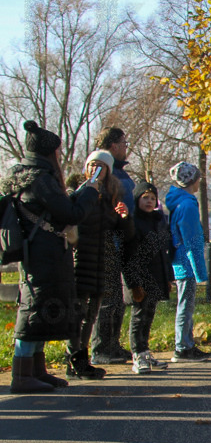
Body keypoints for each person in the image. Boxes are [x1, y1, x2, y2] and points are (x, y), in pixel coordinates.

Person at [3, 121, 99, 393]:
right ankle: (22, 375)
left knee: (40, 309)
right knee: (32, 310)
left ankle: (37, 371)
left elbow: (59, 208)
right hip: (43, 254)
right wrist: (90, 190)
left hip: (38, 251)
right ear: (49, 151)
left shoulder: (26, 174)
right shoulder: (40, 179)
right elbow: (70, 214)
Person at [66, 150, 133, 379]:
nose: (95, 169)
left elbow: (123, 233)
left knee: (91, 314)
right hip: (82, 259)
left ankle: (82, 359)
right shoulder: (80, 191)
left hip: (102, 260)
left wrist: (124, 218)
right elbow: (72, 216)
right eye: (92, 165)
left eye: (101, 166)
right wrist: (87, 191)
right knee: (77, 312)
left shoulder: (111, 195)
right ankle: (73, 359)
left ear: (108, 170)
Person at [90, 127, 136, 365]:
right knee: (108, 298)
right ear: (114, 145)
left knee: (117, 298)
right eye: (124, 143)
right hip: (107, 241)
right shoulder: (102, 174)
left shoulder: (118, 172)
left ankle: (112, 345)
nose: (126, 147)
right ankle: (101, 348)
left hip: (122, 238)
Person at [122, 182, 173, 374]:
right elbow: (128, 256)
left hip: (156, 276)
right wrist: (134, 284)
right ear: (137, 199)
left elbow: (163, 252)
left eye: (153, 198)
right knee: (139, 317)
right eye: (145, 198)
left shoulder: (159, 221)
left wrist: (168, 277)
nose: (149, 201)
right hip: (140, 278)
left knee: (149, 315)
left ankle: (145, 351)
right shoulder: (133, 222)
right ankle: (137, 354)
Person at [166, 162, 211, 362]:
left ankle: (186, 343)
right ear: (192, 180)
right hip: (186, 263)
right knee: (186, 306)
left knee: (185, 305)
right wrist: (199, 270)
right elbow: (192, 239)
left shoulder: (178, 202)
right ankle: (183, 347)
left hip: (180, 260)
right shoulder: (187, 205)